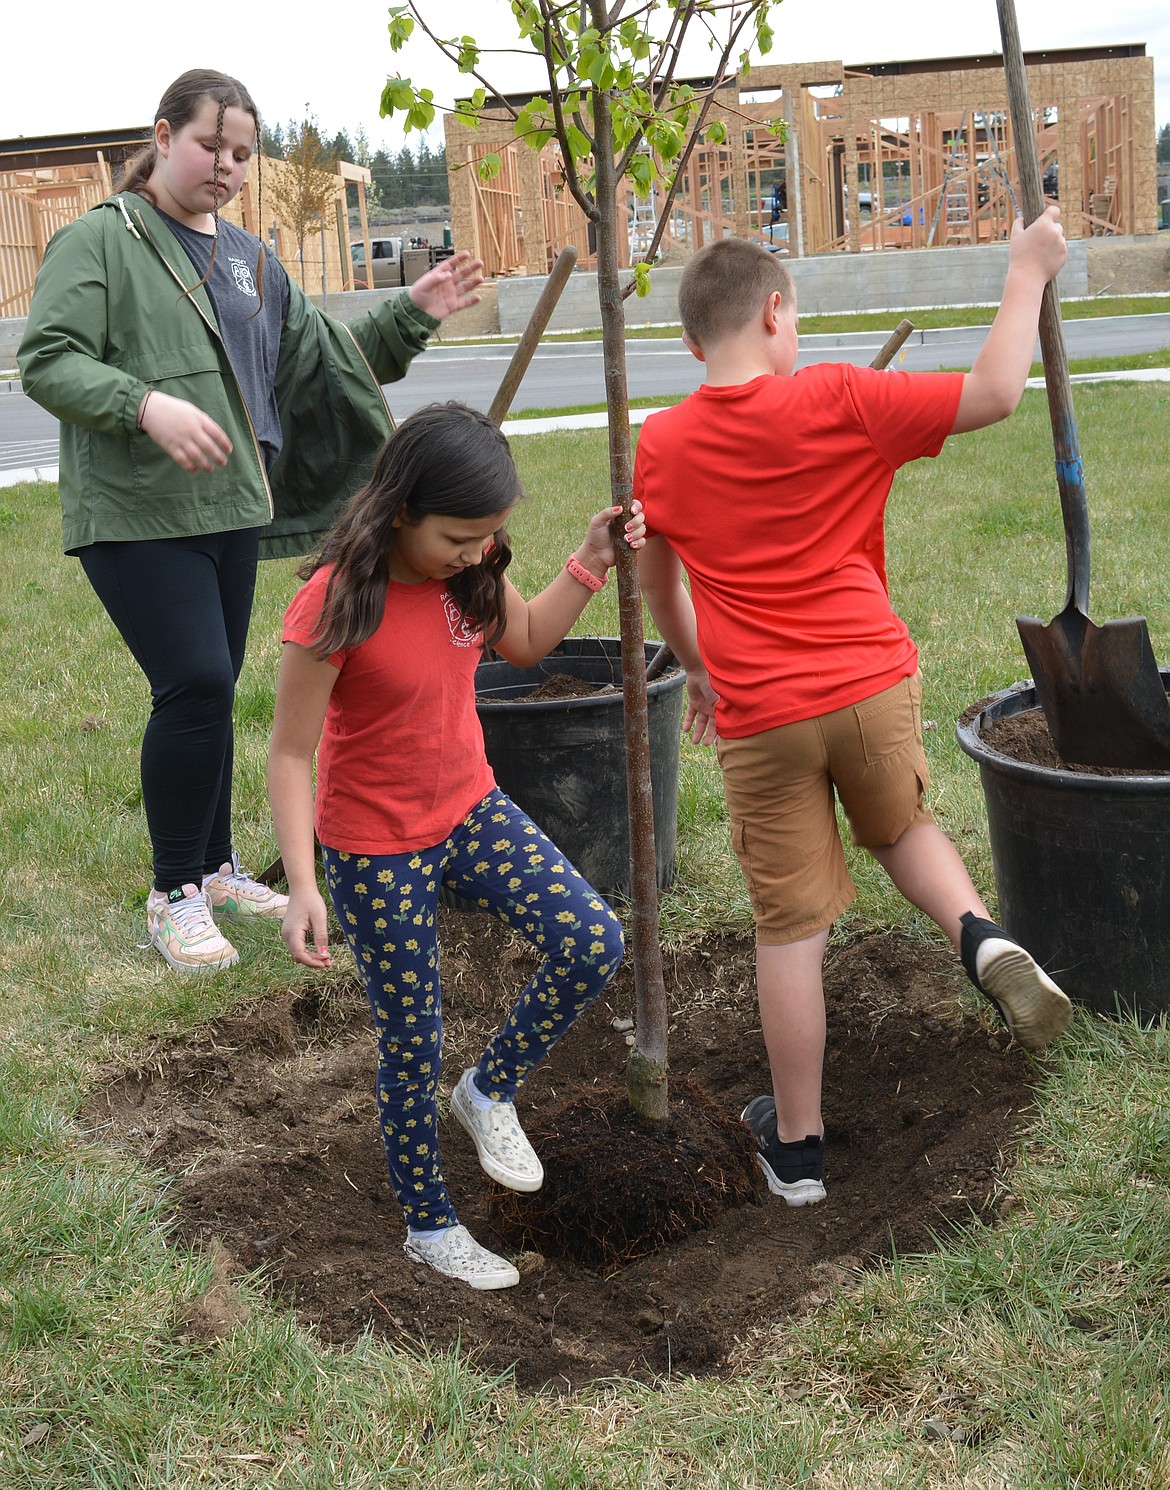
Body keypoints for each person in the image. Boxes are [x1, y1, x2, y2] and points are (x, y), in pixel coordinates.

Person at [633, 212, 1075, 1208]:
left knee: (789, 925)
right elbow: (999, 391)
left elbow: (661, 592)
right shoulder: (837, 394)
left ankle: (797, 1151)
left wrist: (701, 671)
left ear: (695, 343)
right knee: (903, 823)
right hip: (870, 682)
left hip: (762, 715)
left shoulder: (659, 444)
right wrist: (1027, 268)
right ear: (778, 313)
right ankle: (979, 934)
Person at [17, 69, 483, 975]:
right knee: (192, 680)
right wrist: (142, 403)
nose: (225, 167)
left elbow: (324, 367)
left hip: (231, 506)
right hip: (134, 512)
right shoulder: (101, 242)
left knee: (218, 685)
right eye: (208, 146)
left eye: (241, 154)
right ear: (162, 136)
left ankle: (218, 868)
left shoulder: (248, 259)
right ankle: (172, 895)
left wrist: (411, 315)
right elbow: (46, 358)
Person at [268, 401, 642, 1289]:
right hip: (373, 848)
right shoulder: (337, 600)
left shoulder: (474, 572)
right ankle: (429, 1226)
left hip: (470, 808)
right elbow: (289, 752)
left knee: (594, 940)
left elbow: (528, 643)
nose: (478, 551)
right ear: (401, 511)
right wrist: (302, 882)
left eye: (491, 535)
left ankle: (487, 1091)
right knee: (412, 1040)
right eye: (459, 536)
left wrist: (588, 562)